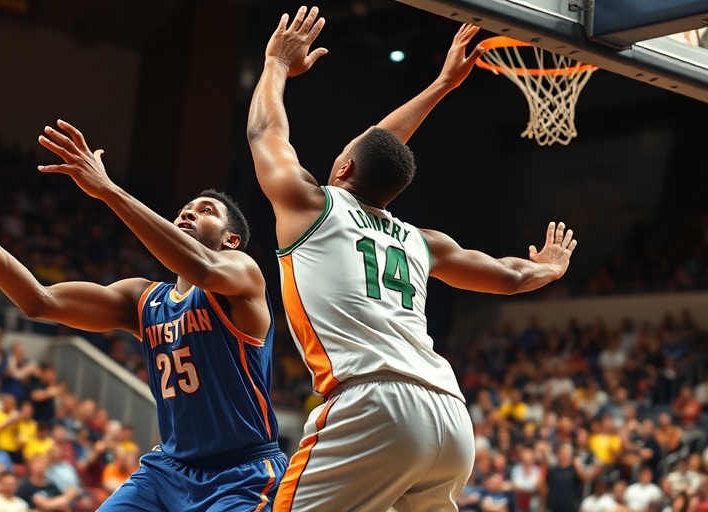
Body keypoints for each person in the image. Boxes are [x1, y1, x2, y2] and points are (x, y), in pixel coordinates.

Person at [246, 7, 578, 511]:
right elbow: (511, 276)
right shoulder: (422, 241)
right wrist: (550, 268)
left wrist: (274, 63)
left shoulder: (310, 206)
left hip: (372, 402)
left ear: (344, 166)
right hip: (449, 416)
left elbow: (265, 133)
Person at [0, 116, 287, 511]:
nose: (188, 213)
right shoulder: (143, 300)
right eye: (184, 209)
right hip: (167, 471)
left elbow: (202, 267)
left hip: (240, 473)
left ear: (230, 240)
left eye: (205, 211)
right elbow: (37, 300)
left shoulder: (242, 274)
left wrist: (109, 190)